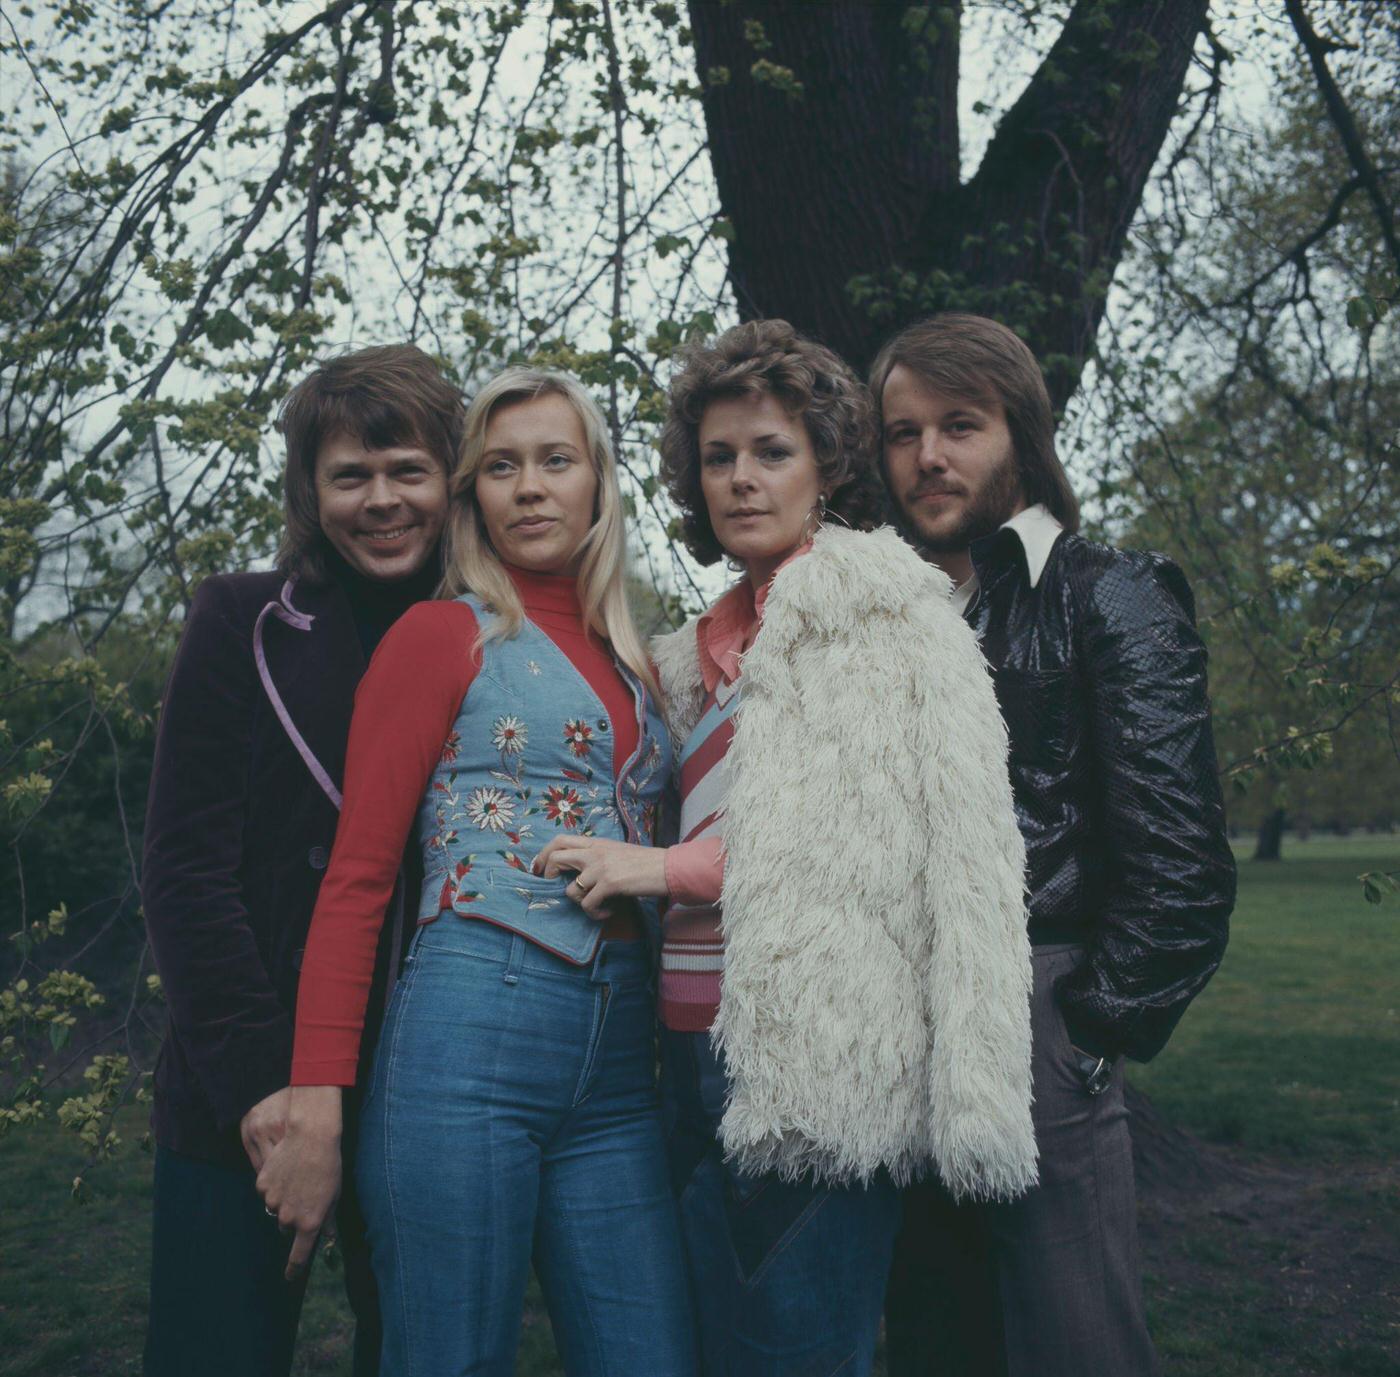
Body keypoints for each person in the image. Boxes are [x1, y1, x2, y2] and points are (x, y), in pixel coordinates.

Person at [532, 319, 1038, 1377]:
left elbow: (841, 842)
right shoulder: (692, 651)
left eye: (771, 451)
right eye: (717, 457)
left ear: (827, 466)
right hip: (681, 1057)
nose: (741, 479)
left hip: (811, 1072)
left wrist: (652, 870)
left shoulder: (881, 615)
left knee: (793, 1355)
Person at [254, 368, 696, 1376]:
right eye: (500, 467)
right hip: (468, 1042)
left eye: (555, 460)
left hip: (620, 1069)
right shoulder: (441, 634)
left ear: (597, 482)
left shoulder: (639, 662)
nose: (529, 487)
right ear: (472, 496)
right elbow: (358, 877)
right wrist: (318, 1098)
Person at [874, 313, 1237, 1377]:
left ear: (1021, 438)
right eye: (902, 432)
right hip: (901, 1017)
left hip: (1039, 1006)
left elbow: (1181, 864)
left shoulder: (1106, 591)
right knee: (935, 1337)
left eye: (959, 425)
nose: (927, 456)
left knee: (1073, 1340)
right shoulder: (893, 610)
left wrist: (1086, 1028)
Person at [141, 343, 463, 1377]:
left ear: (450, 479)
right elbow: (185, 871)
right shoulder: (240, 620)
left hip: (419, 1083)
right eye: (350, 475)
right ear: (309, 490)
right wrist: (267, 1090)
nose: (382, 500)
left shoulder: (493, 638)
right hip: (246, 1079)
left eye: (408, 470)